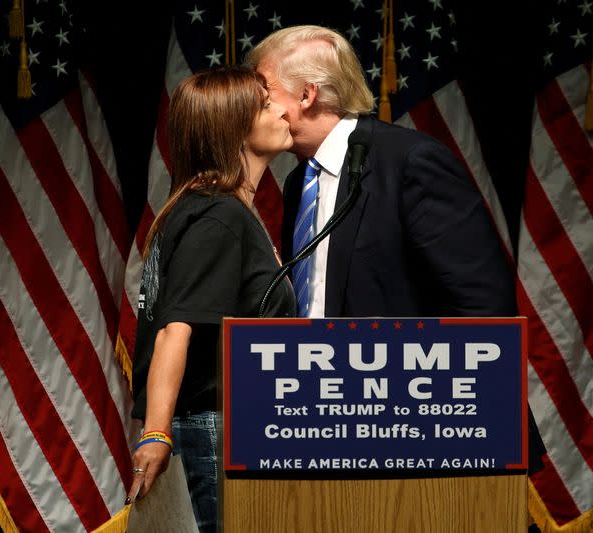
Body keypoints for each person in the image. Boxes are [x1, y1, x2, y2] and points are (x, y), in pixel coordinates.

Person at [126, 66, 297, 532]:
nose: (284, 110)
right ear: (234, 127)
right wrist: (157, 432)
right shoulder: (218, 214)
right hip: (210, 433)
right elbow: (174, 329)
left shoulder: (206, 206)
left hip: (217, 430)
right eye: (266, 106)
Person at [247, 25, 515, 318]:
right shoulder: (299, 182)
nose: (254, 104)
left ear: (306, 95)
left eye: (264, 91)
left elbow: (484, 305)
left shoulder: (411, 163)